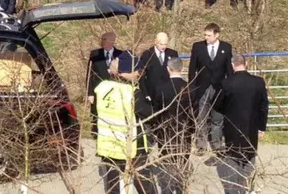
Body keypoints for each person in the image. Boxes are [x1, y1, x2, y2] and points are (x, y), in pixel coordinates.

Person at [94, 66, 156, 194]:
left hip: (109, 144)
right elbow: (148, 113)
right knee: (144, 183)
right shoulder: (131, 92)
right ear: (126, 73)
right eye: (136, 72)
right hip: (131, 145)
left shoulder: (103, 88)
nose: (138, 75)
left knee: (113, 185)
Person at [214, 53, 268, 194]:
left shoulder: (226, 83)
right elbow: (264, 106)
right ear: (246, 64)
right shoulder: (258, 82)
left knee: (233, 156)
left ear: (232, 65)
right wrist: (261, 127)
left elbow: (217, 104)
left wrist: (227, 111)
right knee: (249, 156)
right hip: (251, 126)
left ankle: (234, 188)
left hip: (231, 126)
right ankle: (246, 187)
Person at [153, 57, 197, 194]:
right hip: (184, 131)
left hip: (165, 131)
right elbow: (194, 112)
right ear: (182, 69)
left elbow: (156, 111)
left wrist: (156, 128)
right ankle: (179, 189)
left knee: (166, 164)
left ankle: (166, 190)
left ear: (168, 69)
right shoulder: (191, 88)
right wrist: (192, 129)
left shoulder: (161, 88)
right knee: (181, 164)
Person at [189, 22, 234, 154]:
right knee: (201, 117)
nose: (206, 37)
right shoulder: (198, 47)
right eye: (205, 35)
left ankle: (217, 144)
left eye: (209, 35)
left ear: (217, 34)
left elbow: (229, 70)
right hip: (202, 87)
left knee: (217, 117)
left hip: (219, 88)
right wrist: (192, 87)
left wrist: (229, 86)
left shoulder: (226, 47)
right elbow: (192, 69)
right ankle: (201, 145)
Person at [85, 32, 122, 136]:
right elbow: (90, 74)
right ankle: (97, 134)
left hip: (114, 91)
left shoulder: (120, 54)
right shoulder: (95, 54)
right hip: (98, 90)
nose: (102, 41)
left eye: (105, 39)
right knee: (97, 113)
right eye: (102, 39)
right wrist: (90, 93)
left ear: (112, 41)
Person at [136, 32, 179, 102]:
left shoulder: (173, 54)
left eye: (165, 44)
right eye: (161, 44)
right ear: (155, 42)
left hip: (168, 94)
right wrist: (145, 94)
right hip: (152, 94)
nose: (163, 47)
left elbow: (176, 73)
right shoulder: (147, 55)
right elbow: (141, 76)